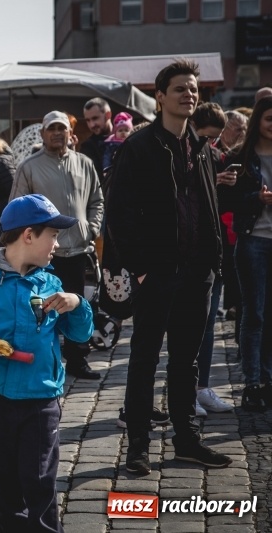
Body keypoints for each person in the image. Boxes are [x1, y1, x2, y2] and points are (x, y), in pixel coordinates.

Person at [107, 59, 231, 475]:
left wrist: (213, 265)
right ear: (159, 97)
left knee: (186, 362)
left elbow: (207, 209)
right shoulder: (139, 147)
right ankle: (138, 446)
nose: (189, 95)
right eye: (179, 88)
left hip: (197, 275)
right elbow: (119, 214)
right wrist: (141, 269)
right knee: (143, 360)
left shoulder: (201, 149)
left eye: (193, 89)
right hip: (157, 273)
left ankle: (187, 440)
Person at [0, 194, 93, 532]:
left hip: (41, 397)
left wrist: (77, 304)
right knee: (0, 478)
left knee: (38, 477)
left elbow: (80, 335)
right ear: (28, 235)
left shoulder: (51, 282)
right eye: (52, 235)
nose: (57, 243)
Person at [10, 110, 104, 380]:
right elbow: (17, 207)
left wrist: (91, 228)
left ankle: (78, 359)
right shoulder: (29, 166)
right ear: (42, 133)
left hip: (77, 249)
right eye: (51, 128)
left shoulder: (84, 163)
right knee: (40, 308)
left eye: (61, 128)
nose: (56, 133)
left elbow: (97, 200)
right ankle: (42, 361)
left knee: (77, 306)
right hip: (42, 255)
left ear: (69, 133)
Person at [226, 96, 272, 411]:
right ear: (258, 121)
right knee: (253, 313)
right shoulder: (241, 156)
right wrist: (257, 197)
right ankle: (252, 381)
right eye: (270, 119)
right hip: (254, 240)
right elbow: (229, 201)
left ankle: (269, 377)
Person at [190, 102, 235, 415]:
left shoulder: (216, 155)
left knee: (207, 325)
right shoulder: (184, 151)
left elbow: (227, 205)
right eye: (208, 137)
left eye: (217, 140)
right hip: (187, 253)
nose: (213, 144)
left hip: (214, 251)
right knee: (185, 327)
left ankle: (202, 387)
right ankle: (185, 391)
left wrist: (227, 186)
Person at [81, 97, 114, 180]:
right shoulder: (88, 147)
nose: (92, 125)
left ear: (108, 115)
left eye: (95, 118)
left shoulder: (126, 138)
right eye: (88, 120)